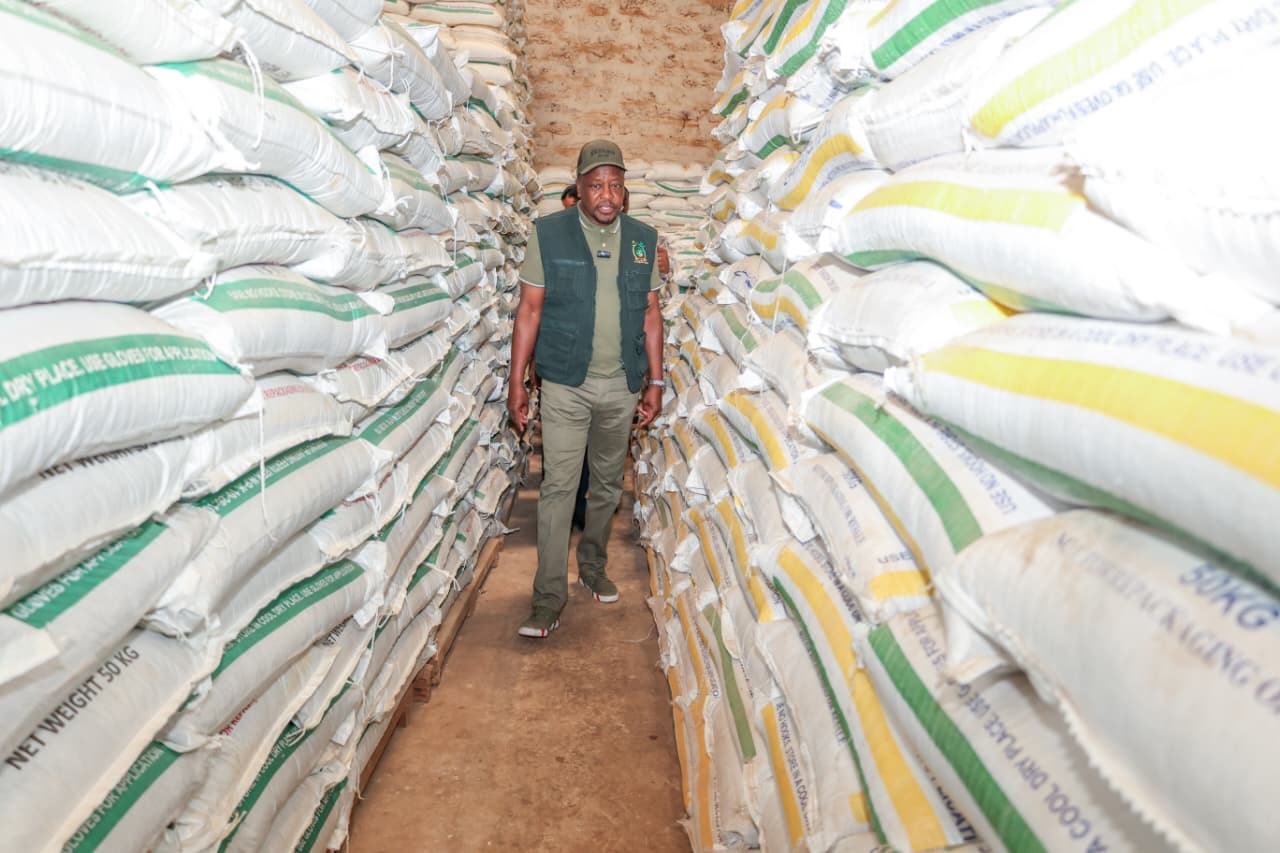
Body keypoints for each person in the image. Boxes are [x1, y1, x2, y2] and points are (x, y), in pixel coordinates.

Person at [509, 139, 665, 639]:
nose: (606, 195)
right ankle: (547, 598)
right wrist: (516, 381)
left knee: (606, 486)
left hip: (621, 385)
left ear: (624, 191)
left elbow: (651, 315)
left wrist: (656, 381)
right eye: (596, 185)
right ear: (578, 187)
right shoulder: (549, 235)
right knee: (558, 487)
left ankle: (593, 564)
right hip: (565, 384)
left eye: (615, 186)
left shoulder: (642, 240)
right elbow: (529, 310)